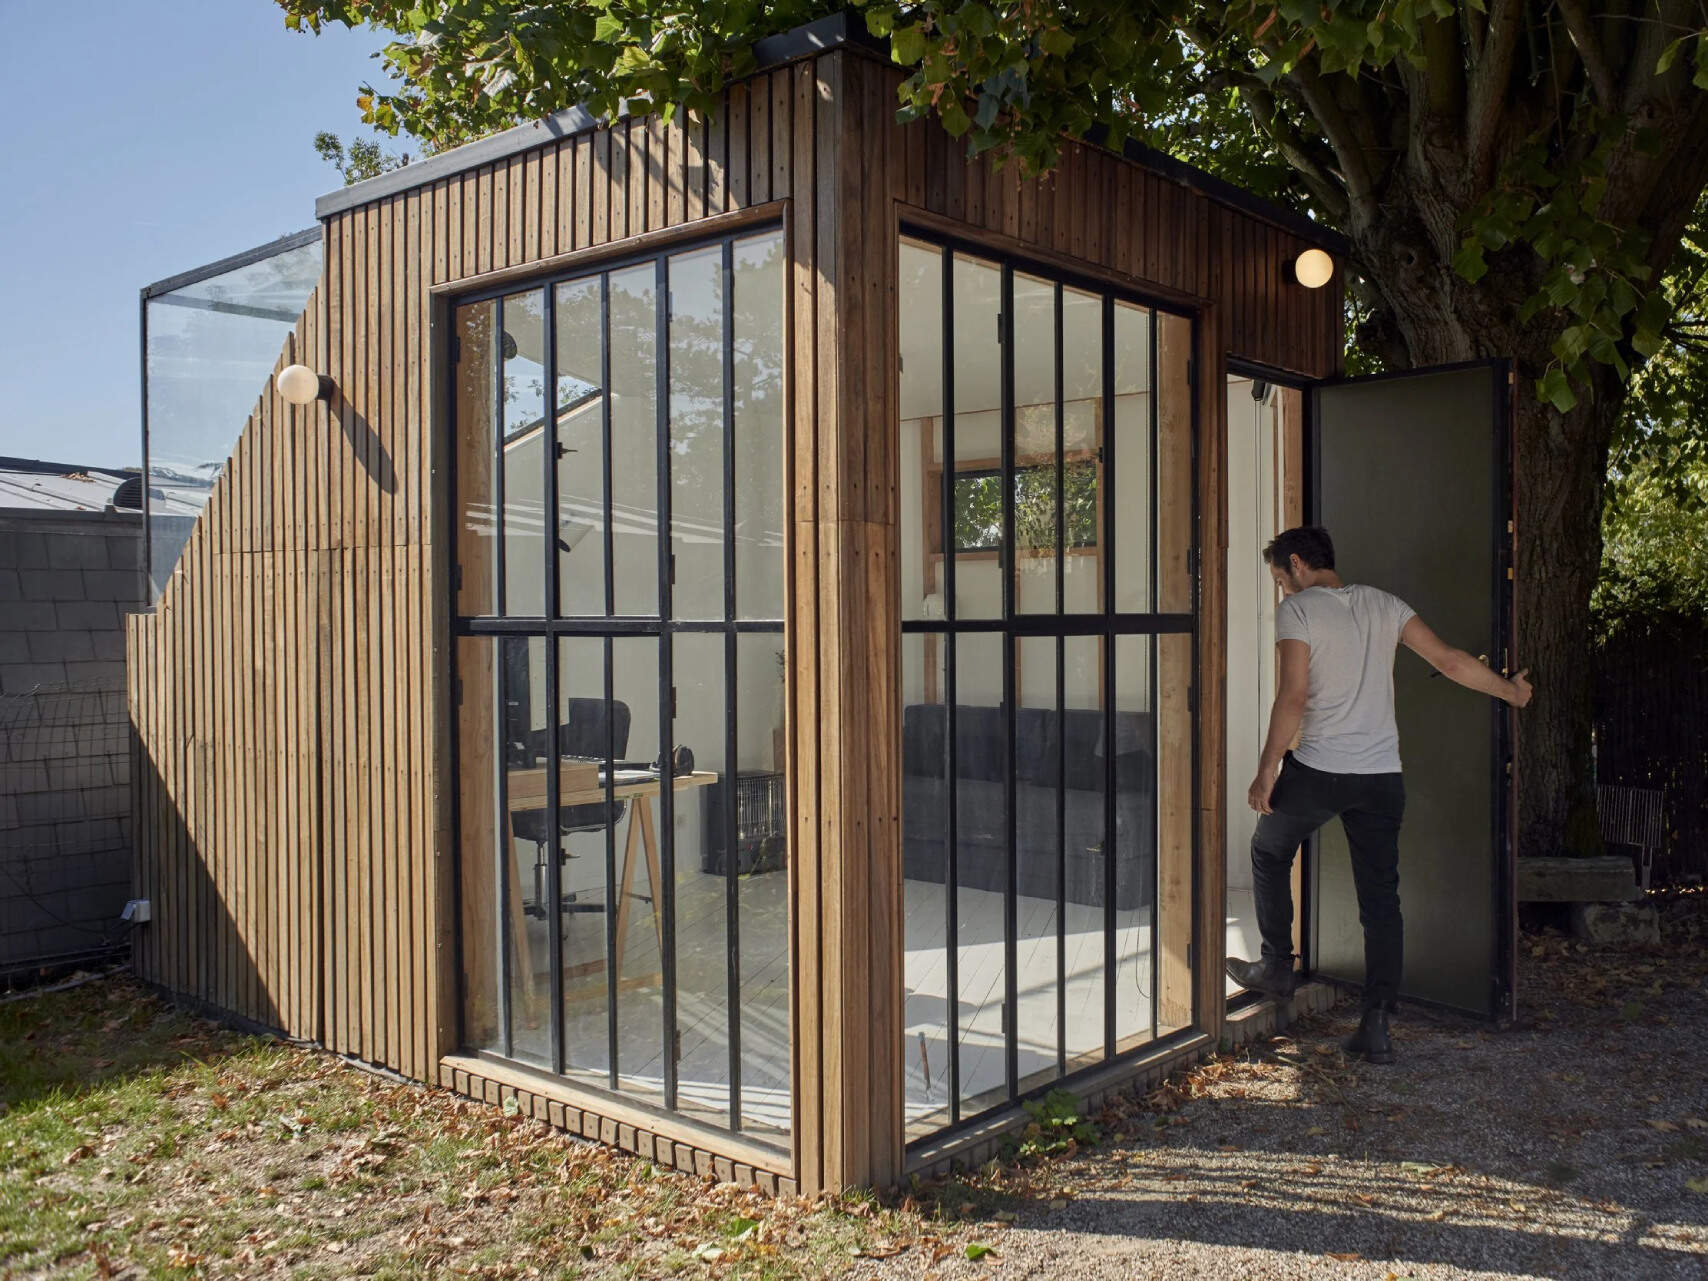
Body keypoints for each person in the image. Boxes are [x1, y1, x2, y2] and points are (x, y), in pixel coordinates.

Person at [1224, 526, 1532, 1064]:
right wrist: (1512, 692)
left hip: (1320, 770)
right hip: (1382, 778)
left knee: (1269, 849)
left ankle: (1276, 966)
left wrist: (1266, 770)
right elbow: (1450, 661)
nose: (1281, 590)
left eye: (1279, 579)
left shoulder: (1298, 611)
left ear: (1297, 564)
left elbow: (1294, 696)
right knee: (1380, 901)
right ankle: (1376, 1023)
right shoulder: (1386, 604)